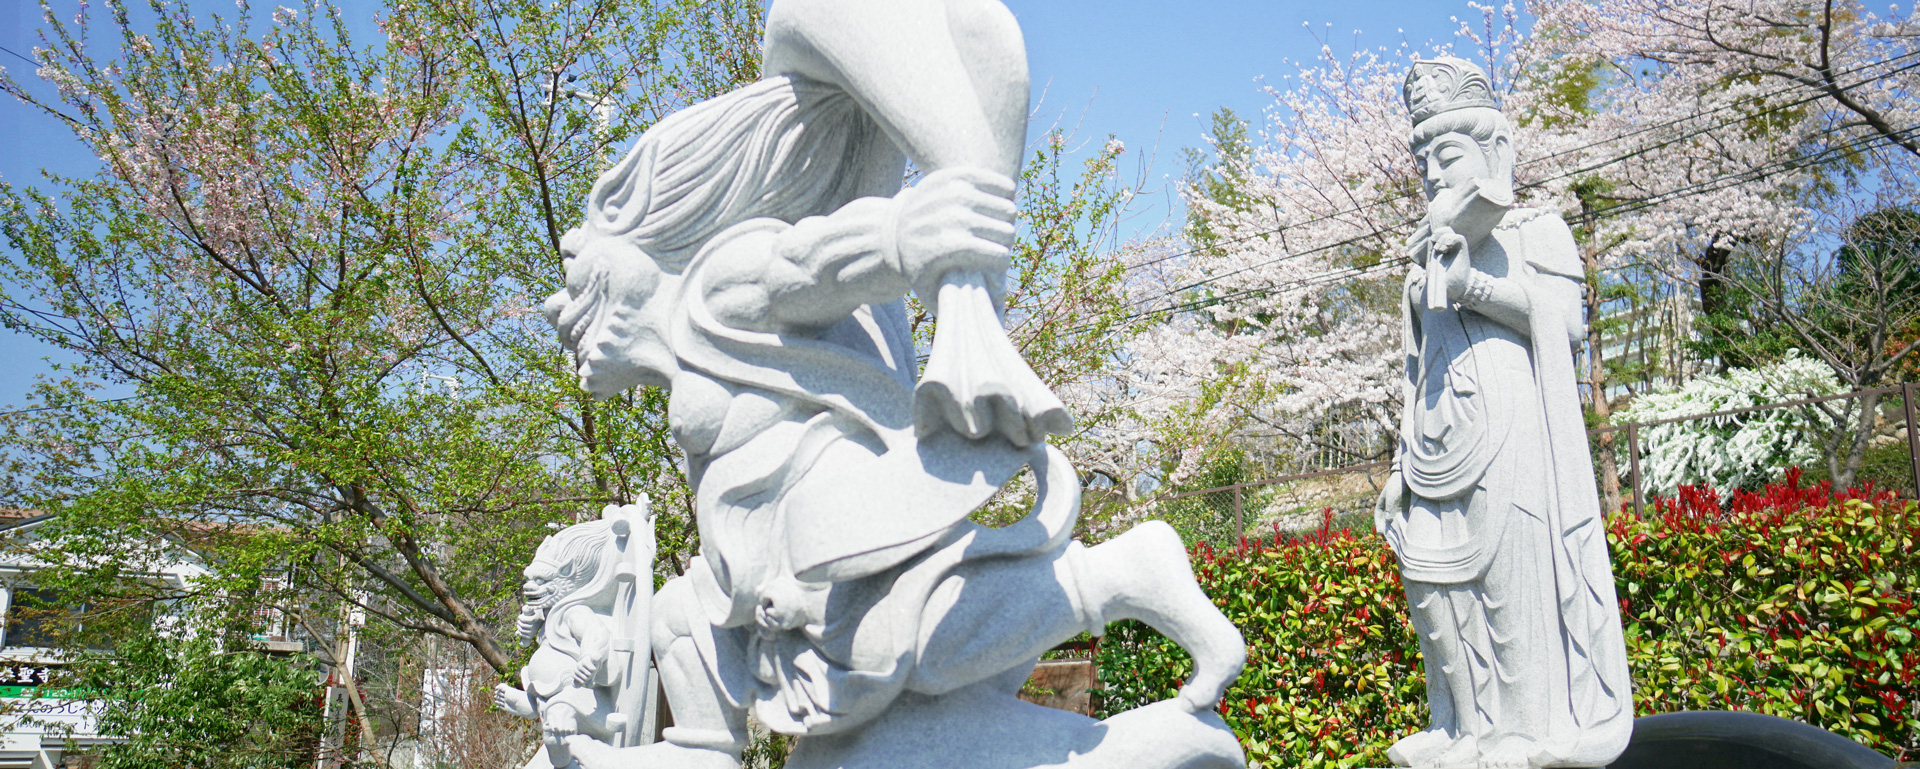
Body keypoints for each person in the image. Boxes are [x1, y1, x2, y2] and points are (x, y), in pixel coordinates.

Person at [538, 4, 1246, 766]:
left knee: (897, 644)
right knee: (853, 727)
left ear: (625, 254)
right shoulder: (685, 346)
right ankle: (1134, 695)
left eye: (573, 273)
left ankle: (1119, 576)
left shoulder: (714, 282)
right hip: (808, 575)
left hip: (853, 533)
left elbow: (798, 270)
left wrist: (899, 235)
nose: (556, 306)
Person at [1375, 57, 1633, 769]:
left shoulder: (1533, 230)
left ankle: (1522, 724)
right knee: (1428, 580)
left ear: (1495, 152)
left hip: (1511, 417)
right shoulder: (1419, 258)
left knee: (1508, 575)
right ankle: (1460, 723)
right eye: (1422, 158)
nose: (1432, 172)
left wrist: (1476, 281)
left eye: (1447, 154)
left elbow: (1564, 324)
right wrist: (1399, 463)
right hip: (1435, 433)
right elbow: (1414, 365)